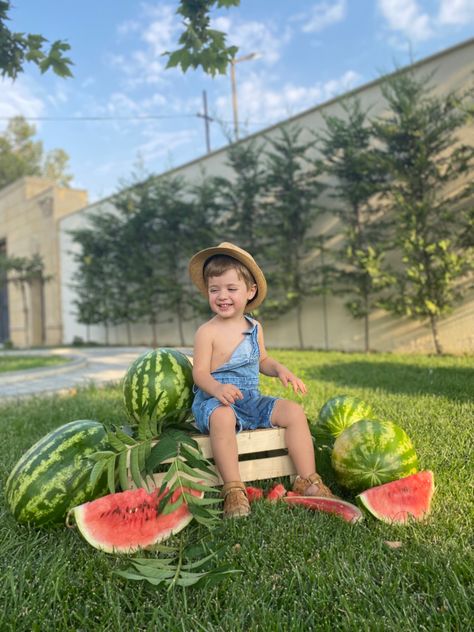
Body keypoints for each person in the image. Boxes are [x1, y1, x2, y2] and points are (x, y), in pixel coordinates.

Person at [188, 242, 337, 519]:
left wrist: (280, 369)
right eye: (214, 289)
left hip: (249, 399)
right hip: (214, 400)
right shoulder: (206, 332)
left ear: (250, 291)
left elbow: (262, 361)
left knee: (293, 411)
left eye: (231, 289)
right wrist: (218, 389)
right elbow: (199, 374)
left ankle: (308, 479)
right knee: (222, 418)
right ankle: (233, 488)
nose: (223, 296)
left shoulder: (254, 328)